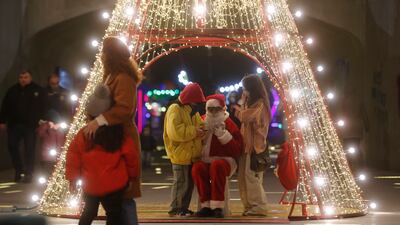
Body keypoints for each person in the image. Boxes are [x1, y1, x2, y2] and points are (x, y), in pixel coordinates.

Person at [82, 36, 143, 225]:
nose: (101, 55)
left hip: (122, 138)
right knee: (117, 198)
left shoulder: (123, 78)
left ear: (111, 55)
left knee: (124, 196)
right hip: (112, 138)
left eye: (104, 51)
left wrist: (99, 120)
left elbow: (124, 108)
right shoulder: (113, 75)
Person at [66, 84, 139, 225]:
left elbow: (73, 155)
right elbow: (131, 157)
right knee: (114, 213)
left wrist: (72, 178)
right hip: (114, 183)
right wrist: (132, 177)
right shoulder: (119, 133)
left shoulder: (85, 133)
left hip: (91, 183)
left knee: (89, 211)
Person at [192, 94, 243, 218]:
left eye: (217, 109)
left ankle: (217, 207)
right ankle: (205, 205)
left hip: (226, 161)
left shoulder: (229, 123)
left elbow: (237, 149)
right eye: (211, 109)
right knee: (197, 168)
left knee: (217, 166)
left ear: (222, 109)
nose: (214, 112)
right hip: (205, 160)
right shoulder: (202, 121)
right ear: (206, 109)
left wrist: (223, 135)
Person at [163, 82, 206, 217]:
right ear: (190, 98)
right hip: (180, 154)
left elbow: (200, 124)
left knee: (188, 184)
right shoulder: (175, 108)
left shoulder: (190, 110)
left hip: (190, 154)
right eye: (195, 100)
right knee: (181, 182)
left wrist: (202, 129)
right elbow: (175, 132)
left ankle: (183, 208)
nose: (196, 103)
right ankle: (175, 209)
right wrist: (195, 131)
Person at [233, 74, 271, 216]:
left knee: (251, 177)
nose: (244, 91)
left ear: (251, 89)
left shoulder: (259, 104)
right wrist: (243, 104)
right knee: (244, 177)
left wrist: (239, 106)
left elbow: (245, 116)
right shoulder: (254, 103)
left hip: (254, 147)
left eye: (245, 89)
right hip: (247, 146)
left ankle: (259, 206)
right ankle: (249, 206)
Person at [0, 70, 45, 182]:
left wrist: (41, 120)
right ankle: (18, 169)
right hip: (15, 124)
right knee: (12, 145)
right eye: (21, 77)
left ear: (30, 78)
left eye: (26, 77)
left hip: (30, 125)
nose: (23, 79)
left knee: (29, 149)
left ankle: (29, 172)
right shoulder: (12, 90)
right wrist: (2, 121)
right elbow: (5, 106)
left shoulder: (37, 90)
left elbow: (43, 106)